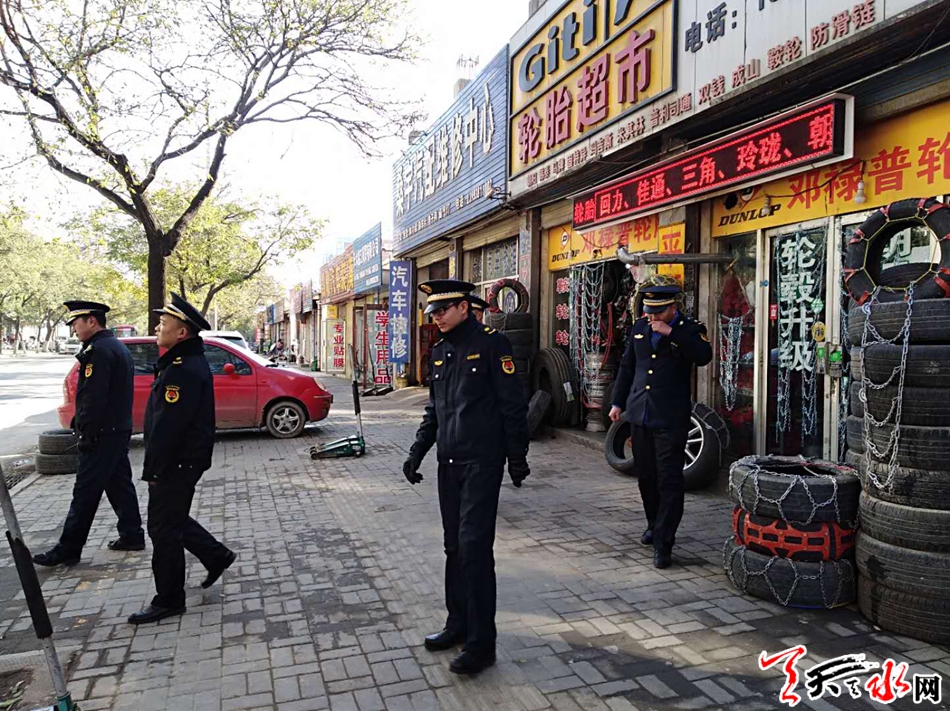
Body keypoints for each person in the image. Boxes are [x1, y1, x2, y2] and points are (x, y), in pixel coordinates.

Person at [403, 279, 530, 675]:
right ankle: (456, 624)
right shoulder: (440, 352)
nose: (436, 318)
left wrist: (517, 457)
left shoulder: (494, 345)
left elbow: (512, 405)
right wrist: (417, 452)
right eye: (433, 312)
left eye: (442, 310)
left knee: (474, 549)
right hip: (449, 464)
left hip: (482, 462)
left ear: (463, 307)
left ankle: (481, 644)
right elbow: (434, 411)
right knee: (454, 549)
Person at [128, 294, 236, 624]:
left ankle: (170, 599)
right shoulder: (181, 362)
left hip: (176, 463)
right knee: (171, 519)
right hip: (181, 461)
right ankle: (215, 555)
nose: (157, 328)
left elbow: (168, 427)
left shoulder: (182, 369)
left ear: (182, 333)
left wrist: (154, 470)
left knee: (163, 530)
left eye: (163, 323)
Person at [33, 301, 145, 567]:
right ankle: (132, 534)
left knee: (85, 492)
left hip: (101, 433)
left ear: (92, 321)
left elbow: (93, 398)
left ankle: (69, 548)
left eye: (76, 323)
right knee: (119, 484)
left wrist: (85, 432)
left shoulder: (100, 351)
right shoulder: (113, 346)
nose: (74, 330)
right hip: (116, 429)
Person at [608, 284, 712, 569]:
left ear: (672, 308)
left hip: (670, 418)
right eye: (648, 311)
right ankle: (654, 524)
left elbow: (703, 355)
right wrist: (617, 402)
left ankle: (664, 543)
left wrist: (671, 334)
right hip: (640, 414)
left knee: (669, 480)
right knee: (646, 478)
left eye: (658, 312)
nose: (652, 317)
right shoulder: (640, 327)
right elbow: (628, 366)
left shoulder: (689, 329)